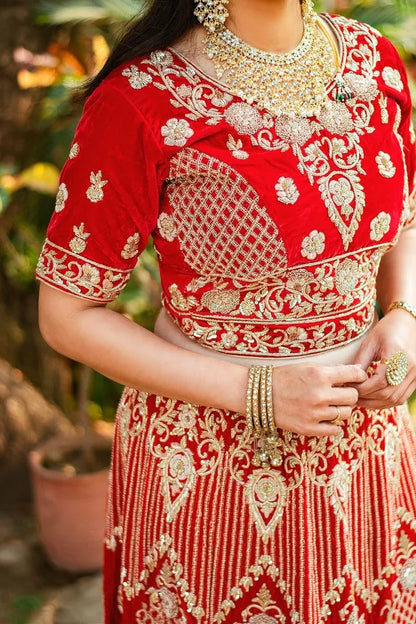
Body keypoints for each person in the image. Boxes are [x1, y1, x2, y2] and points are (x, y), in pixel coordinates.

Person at [36, 0, 416, 621]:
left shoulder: (374, 61)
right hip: (209, 466)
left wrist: (403, 316)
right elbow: (67, 314)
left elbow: (406, 212)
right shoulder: (141, 97)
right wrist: (258, 391)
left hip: (367, 456)